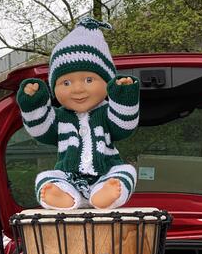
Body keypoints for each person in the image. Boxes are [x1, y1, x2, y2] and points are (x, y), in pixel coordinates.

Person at [17, 17, 140, 210]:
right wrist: (33, 102)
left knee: (126, 172)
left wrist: (124, 96)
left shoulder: (106, 113)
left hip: (106, 174)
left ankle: (104, 195)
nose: (77, 89)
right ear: (53, 88)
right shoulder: (59, 117)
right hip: (68, 177)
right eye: (66, 83)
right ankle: (64, 196)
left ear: (108, 83)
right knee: (44, 177)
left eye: (89, 80)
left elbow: (125, 125)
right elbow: (40, 129)